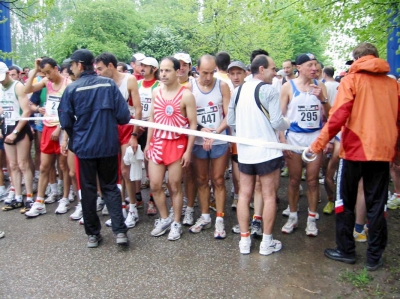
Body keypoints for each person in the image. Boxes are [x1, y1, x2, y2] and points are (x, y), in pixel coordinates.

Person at [306, 42, 400, 270]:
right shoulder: (393, 84)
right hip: (382, 152)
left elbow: (337, 117)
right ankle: (374, 256)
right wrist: (395, 153)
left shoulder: (351, 80)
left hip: (355, 150)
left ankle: (346, 250)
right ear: (376, 57)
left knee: (344, 201)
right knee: (377, 204)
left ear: (356, 59)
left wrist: (317, 146)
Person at [58, 49, 131, 248]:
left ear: (80, 65)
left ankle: (92, 234)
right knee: (111, 187)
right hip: (108, 145)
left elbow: (65, 120)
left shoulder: (72, 89)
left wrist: (77, 138)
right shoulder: (108, 84)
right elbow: (124, 116)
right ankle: (120, 232)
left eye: (72, 65)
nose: (70, 69)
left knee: (88, 190)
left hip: (84, 148)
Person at [228, 54, 290, 255]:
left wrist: (246, 130)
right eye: (273, 69)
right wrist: (288, 123)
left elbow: (231, 121)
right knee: (269, 195)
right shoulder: (269, 90)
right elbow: (276, 122)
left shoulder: (237, 91)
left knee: (244, 195)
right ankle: (266, 242)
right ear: (261, 69)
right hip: (267, 151)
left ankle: (244, 241)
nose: (275, 72)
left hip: (245, 152)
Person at [144, 56, 197, 240]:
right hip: (158, 143)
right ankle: (164, 218)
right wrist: (148, 143)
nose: (163, 74)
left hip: (177, 144)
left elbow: (192, 124)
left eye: (168, 70)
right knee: (155, 184)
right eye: (161, 70)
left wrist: (188, 151)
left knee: (174, 185)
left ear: (177, 72)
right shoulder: (155, 92)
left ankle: (176, 222)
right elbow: (152, 118)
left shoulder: (186, 95)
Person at [279, 53, 330, 237]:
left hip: (314, 139)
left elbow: (330, 115)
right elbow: (280, 118)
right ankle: (292, 216)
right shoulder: (287, 87)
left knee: (312, 181)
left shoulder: (320, 85)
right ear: (298, 67)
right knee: (293, 180)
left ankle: (311, 219)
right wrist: (282, 141)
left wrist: (323, 99)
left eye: (316, 65)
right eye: (310, 65)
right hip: (294, 139)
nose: (315, 68)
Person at [94, 52, 142, 229]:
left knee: (125, 170)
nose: (97, 72)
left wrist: (134, 135)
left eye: (100, 68)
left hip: (127, 127)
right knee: (113, 172)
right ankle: (119, 209)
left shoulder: (129, 79)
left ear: (110, 66)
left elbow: (138, 109)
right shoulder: (102, 82)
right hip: (109, 128)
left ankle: (132, 210)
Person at [189, 54, 230, 239]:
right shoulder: (190, 87)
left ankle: (220, 219)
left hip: (219, 138)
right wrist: (201, 129)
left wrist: (215, 133)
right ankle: (205, 216)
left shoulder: (222, 85)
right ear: (197, 69)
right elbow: (186, 116)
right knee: (201, 179)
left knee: (218, 179)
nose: (208, 77)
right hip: (199, 139)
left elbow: (229, 115)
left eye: (212, 72)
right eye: (204, 72)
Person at [24, 57, 72, 217]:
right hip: (47, 127)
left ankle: (65, 198)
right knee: (45, 166)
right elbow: (27, 89)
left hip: (62, 129)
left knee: (63, 166)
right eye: (44, 73)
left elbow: (70, 110)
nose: (47, 76)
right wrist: (34, 70)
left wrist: (60, 128)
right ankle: (39, 202)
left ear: (56, 68)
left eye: (49, 72)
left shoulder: (68, 84)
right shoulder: (46, 82)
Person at [0, 62, 34, 211]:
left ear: (8, 73)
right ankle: (18, 197)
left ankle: (30, 197)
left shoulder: (18, 86)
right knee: (12, 165)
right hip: (6, 125)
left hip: (20, 127)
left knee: (23, 164)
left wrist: (15, 133)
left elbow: (26, 111)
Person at [137, 57, 160, 215]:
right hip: (137, 127)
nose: (143, 68)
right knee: (135, 163)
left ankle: (152, 199)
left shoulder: (159, 86)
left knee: (151, 164)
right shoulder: (137, 84)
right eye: (142, 65)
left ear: (154, 69)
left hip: (152, 128)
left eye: (146, 66)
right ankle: (137, 197)